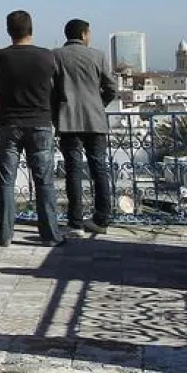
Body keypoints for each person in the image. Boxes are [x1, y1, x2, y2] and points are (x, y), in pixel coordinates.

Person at [0, 9, 68, 247]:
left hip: (8, 123)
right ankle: (50, 235)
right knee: (44, 181)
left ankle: (2, 234)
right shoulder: (47, 57)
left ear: (9, 31)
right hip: (40, 123)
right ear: (31, 29)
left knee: (6, 181)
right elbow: (58, 90)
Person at [54, 18, 118, 234]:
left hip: (68, 120)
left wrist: (56, 114)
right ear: (83, 34)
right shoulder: (98, 55)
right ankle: (102, 219)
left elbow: (51, 90)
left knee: (73, 170)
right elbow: (111, 88)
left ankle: (75, 221)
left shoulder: (56, 56)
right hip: (95, 120)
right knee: (98, 168)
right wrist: (99, 104)